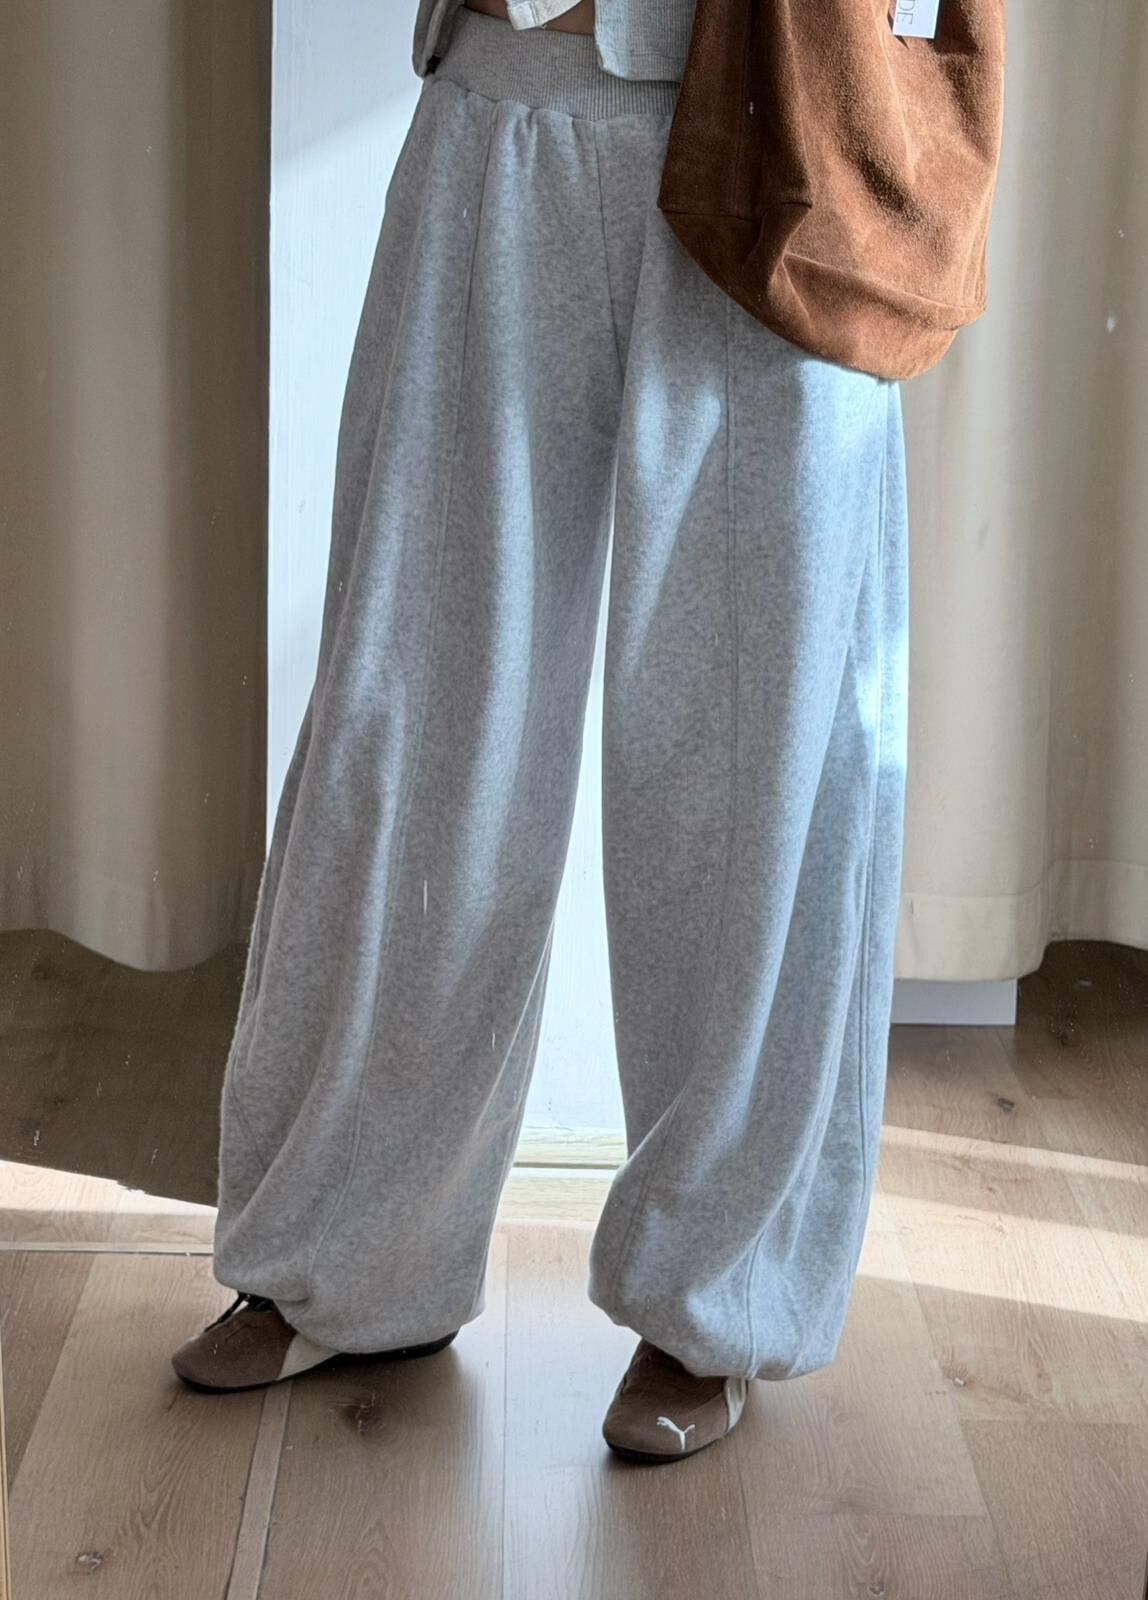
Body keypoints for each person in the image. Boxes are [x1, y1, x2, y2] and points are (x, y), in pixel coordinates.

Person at [170, 0, 910, 1465]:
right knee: (411, 704)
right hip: (504, 101)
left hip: (788, 133)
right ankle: (345, 1253)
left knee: (753, 754)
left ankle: (714, 1297)